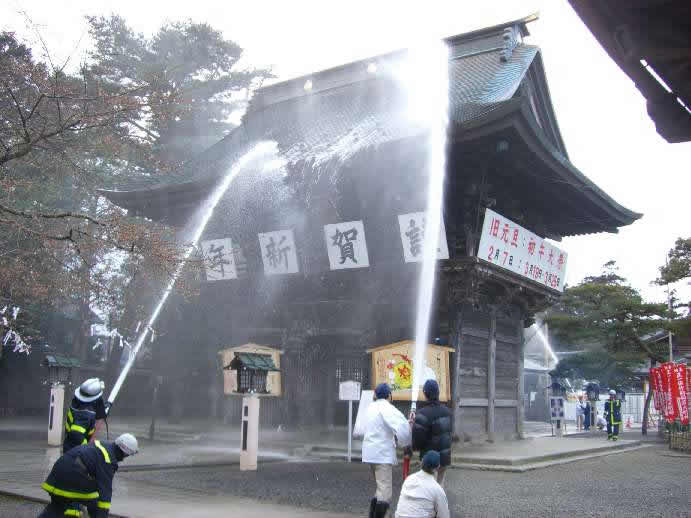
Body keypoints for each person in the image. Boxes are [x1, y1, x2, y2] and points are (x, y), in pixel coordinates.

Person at [39, 433, 138, 517]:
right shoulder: (108, 459)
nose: (125, 458)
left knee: (58, 506)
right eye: (127, 455)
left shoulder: (103, 445)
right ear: (123, 451)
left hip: (59, 471)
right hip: (71, 475)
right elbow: (105, 491)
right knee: (94, 499)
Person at [362, 383, 412, 518]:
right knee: (385, 493)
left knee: (380, 489)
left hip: (369, 453)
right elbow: (401, 428)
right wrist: (406, 443)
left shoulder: (370, 407)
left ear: (375, 395)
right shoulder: (387, 408)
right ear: (389, 395)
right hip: (381, 455)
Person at [411, 379, 452, 484]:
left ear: (425, 394)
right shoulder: (447, 411)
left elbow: (419, 439)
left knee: (428, 486)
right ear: (438, 393)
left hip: (429, 458)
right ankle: (441, 501)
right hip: (444, 456)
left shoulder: (422, 414)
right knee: (440, 484)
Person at [395, 450, 450, 518]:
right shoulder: (437, 489)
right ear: (438, 467)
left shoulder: (409, 479)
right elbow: (444, 515)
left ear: (422, 462)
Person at [64, 379, 107, 453]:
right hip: (76, 450)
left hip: (69, 444)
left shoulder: (77, 402)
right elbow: (76, 435)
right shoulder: (84, 414)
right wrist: (87, 446)